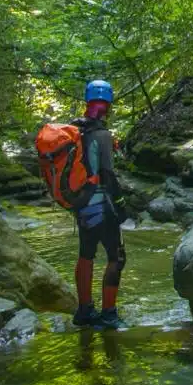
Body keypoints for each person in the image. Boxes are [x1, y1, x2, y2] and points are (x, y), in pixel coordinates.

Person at [71, 79, 128, 330]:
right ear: (108, 105)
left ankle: (84, 310)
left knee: (86, 254)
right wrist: (121, 204)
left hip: (81, 205)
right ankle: (109, 315)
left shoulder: (76, 131)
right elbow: (107, 174)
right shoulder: (102, 134)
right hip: (102, 206)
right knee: (116, 257)